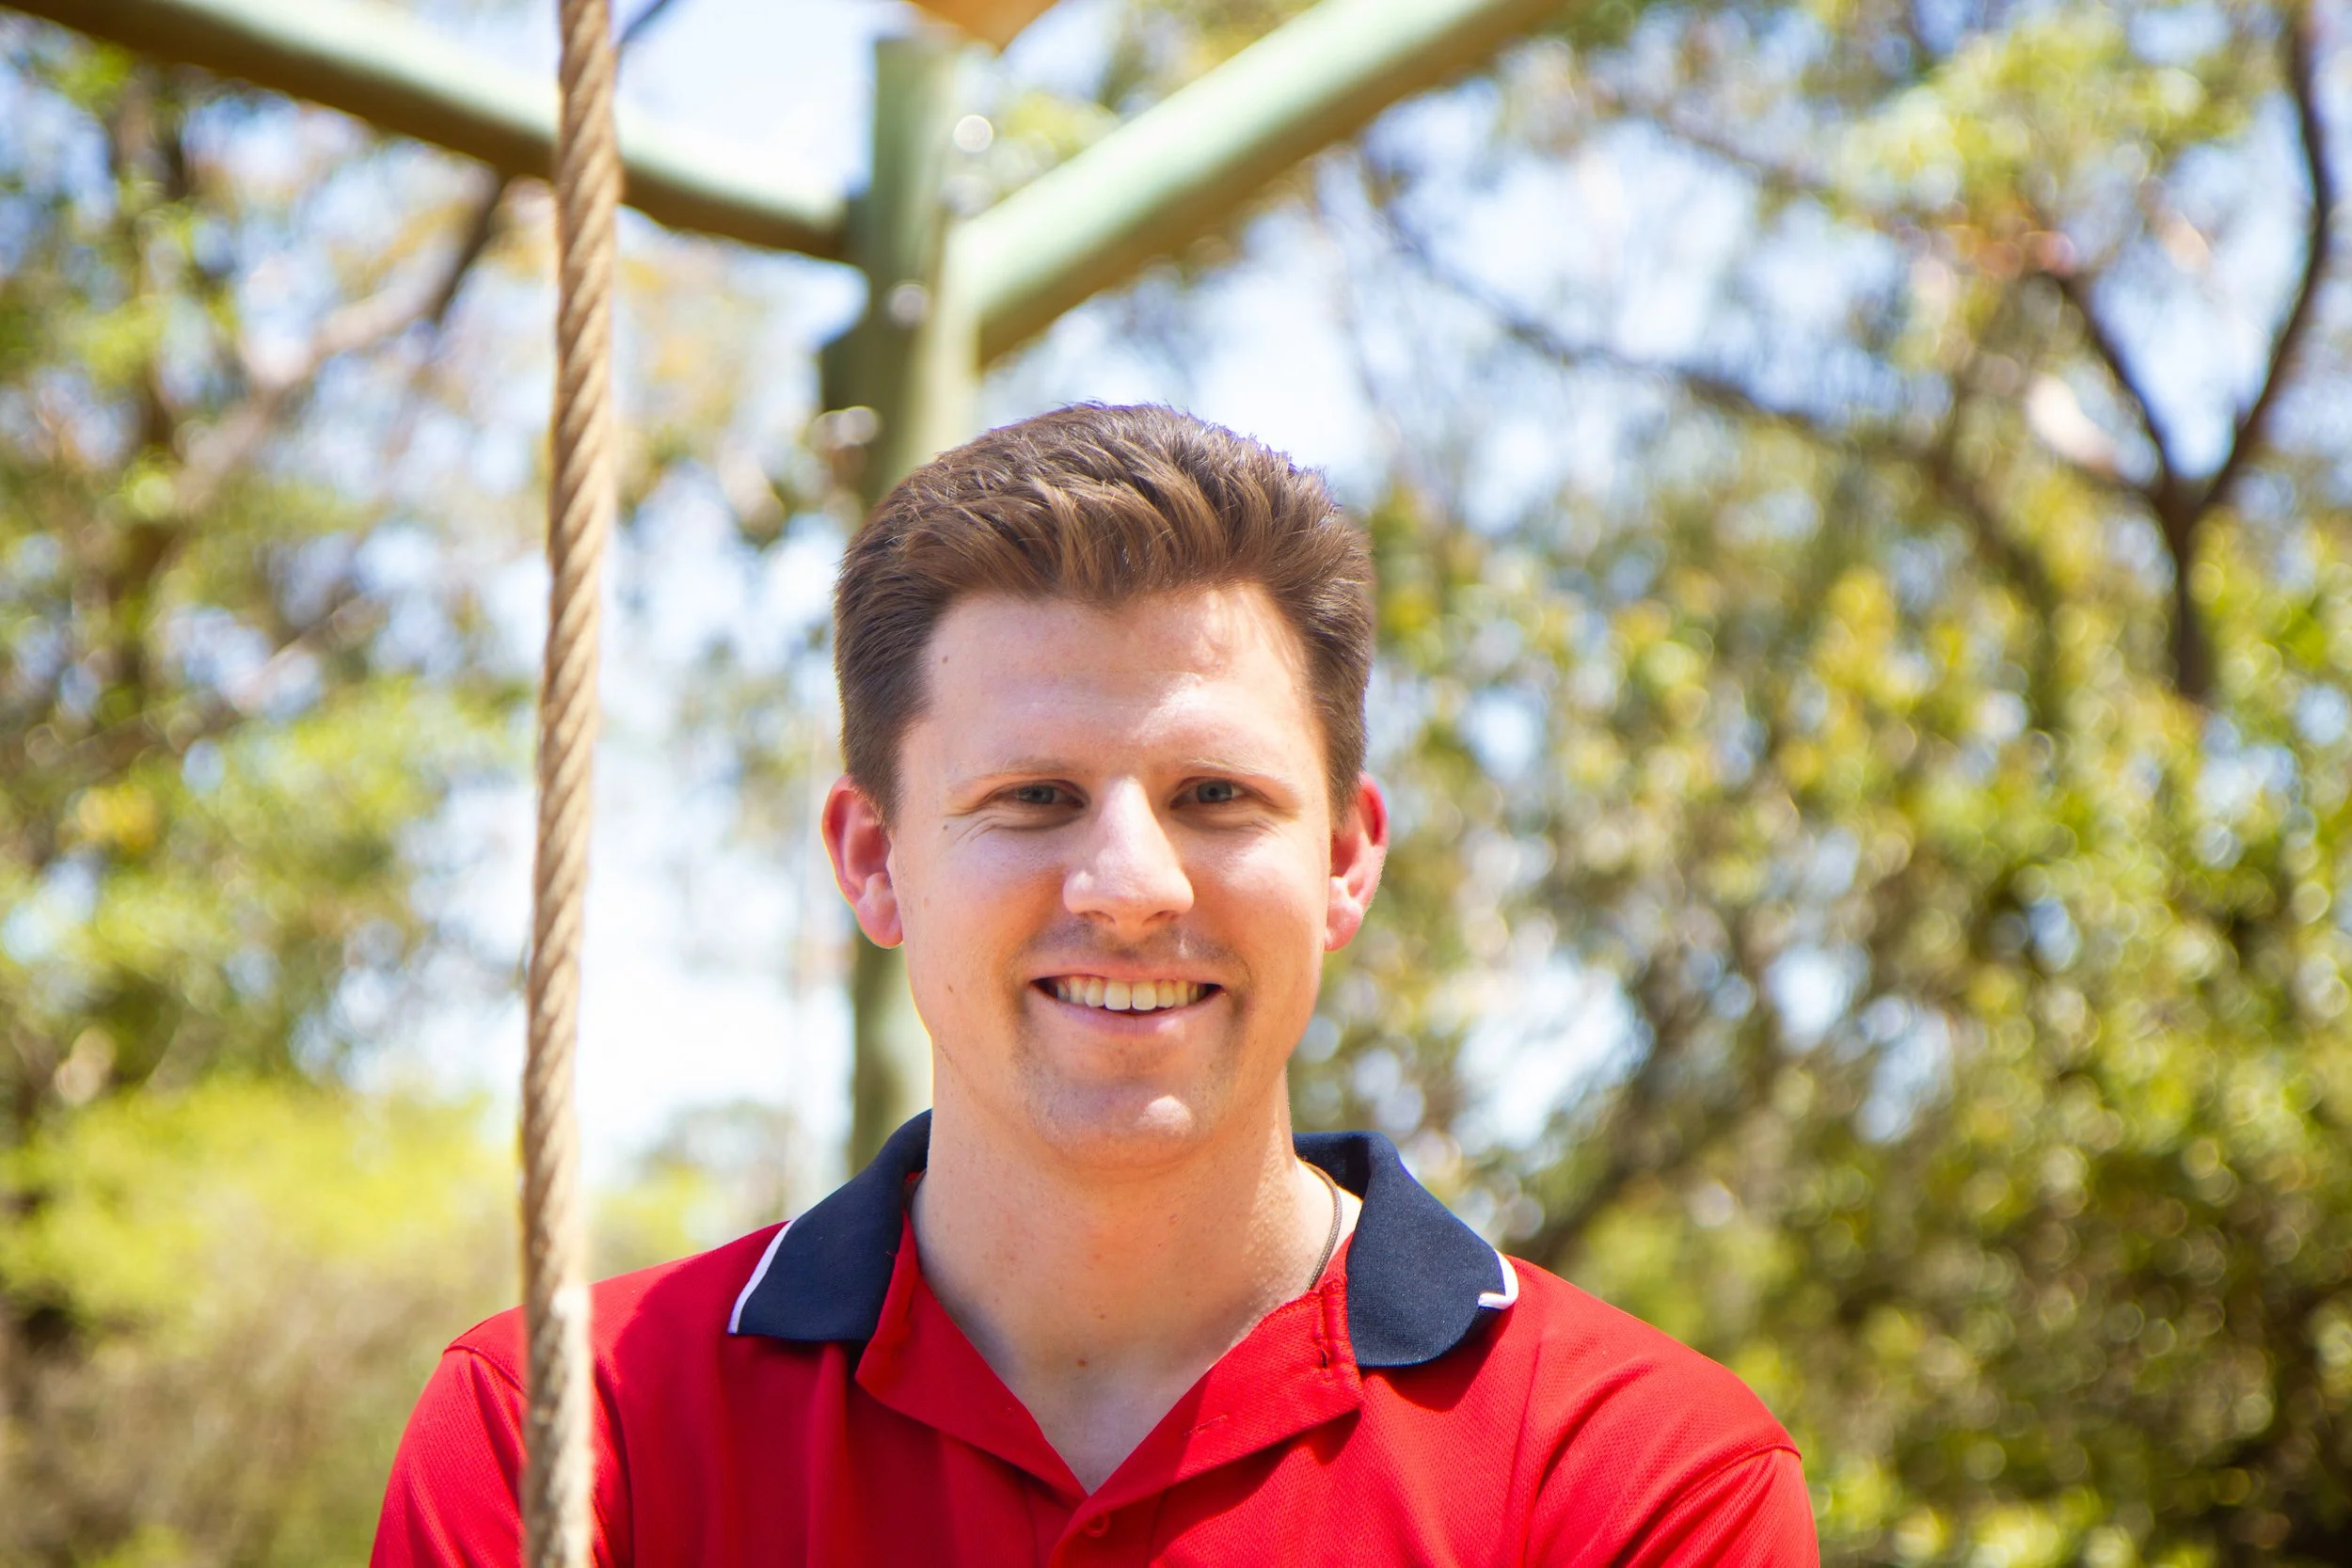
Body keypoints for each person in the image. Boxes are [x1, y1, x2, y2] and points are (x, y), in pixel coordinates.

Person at [371, 404, 1818, 1565]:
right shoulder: (564, 1439)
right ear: (874, 859)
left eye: (1214, 794)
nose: (1132, 883)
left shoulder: (1637, 1473)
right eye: (1036, 795)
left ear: (1343, 858)